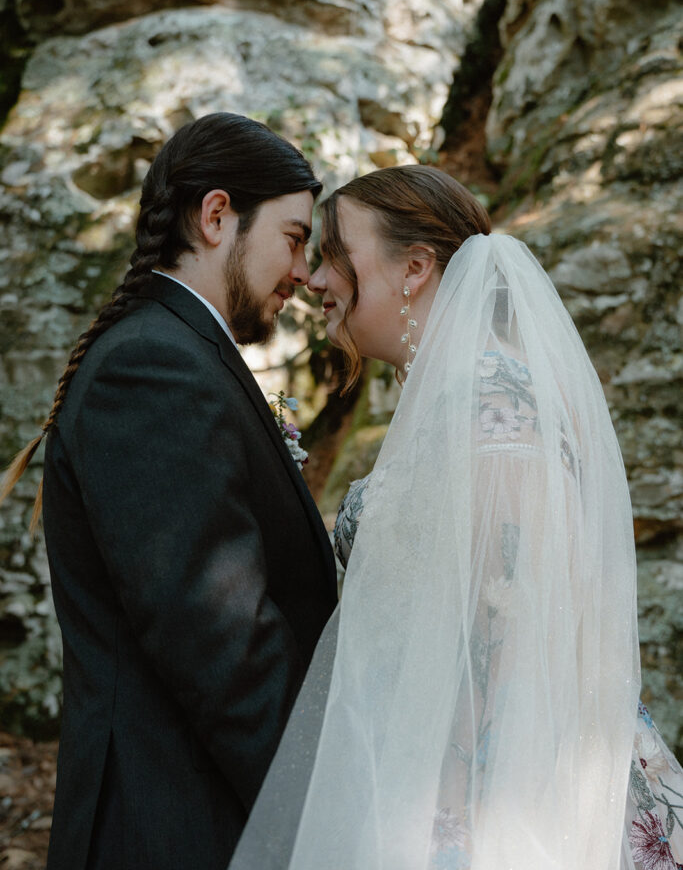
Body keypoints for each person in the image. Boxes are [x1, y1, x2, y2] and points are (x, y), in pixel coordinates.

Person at [229, 165, 683, 870]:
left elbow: (505, 620)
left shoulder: (492, 400)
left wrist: (454, 822)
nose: (314, 280)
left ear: (413, 267)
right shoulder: (462, 391)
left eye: (332, 254)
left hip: (497, 784)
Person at [0, 113, 338, 870]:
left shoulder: (175, 350)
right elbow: (222, 642)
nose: (301, 272)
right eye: (291, 237)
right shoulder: (153, 369)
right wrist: (324, 811)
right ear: (216, 216)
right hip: (170, 825)